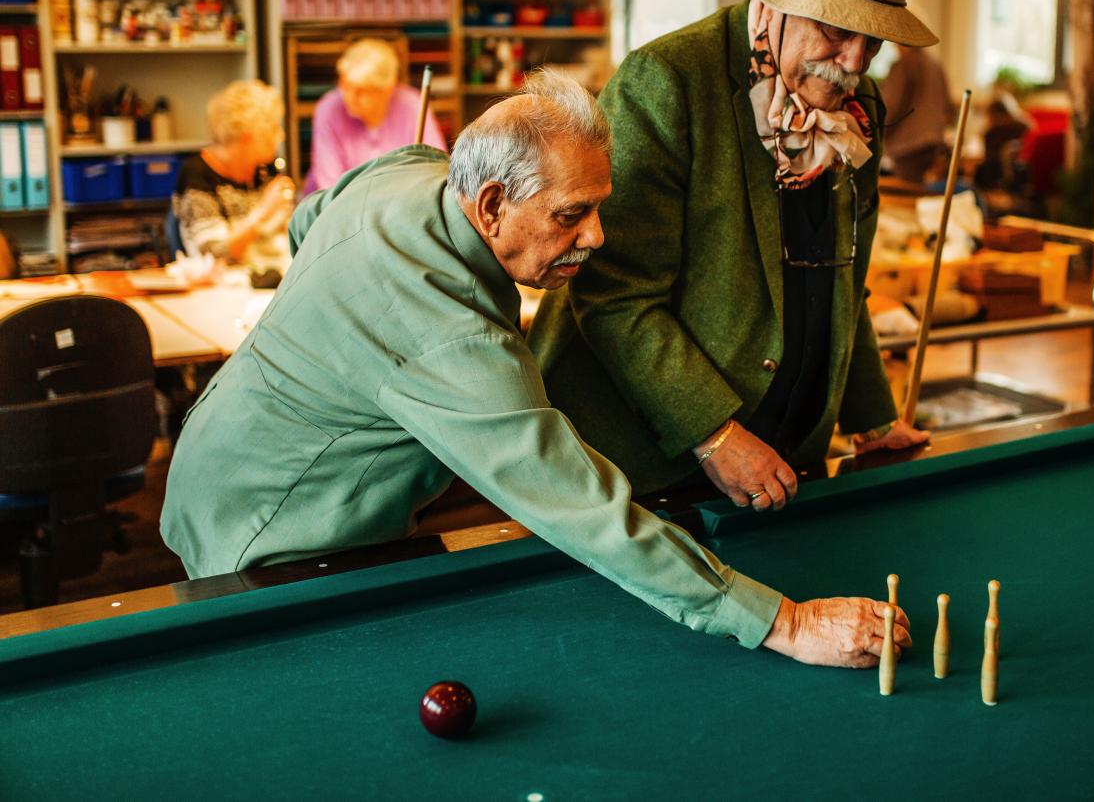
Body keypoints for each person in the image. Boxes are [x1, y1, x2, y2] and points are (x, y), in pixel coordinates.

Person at [160, 70, 910, 670]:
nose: (597, 237)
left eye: (598, 208)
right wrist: (780, 621)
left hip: (215, 450)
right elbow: (580, 507)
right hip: (264, 528)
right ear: (490, 204)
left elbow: (306, 220)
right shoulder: (449, 339)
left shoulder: (412, 170)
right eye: (569, 216)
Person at [528, 0, 933, 508]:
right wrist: (713, 435)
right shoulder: (665, 80)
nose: (854, 63)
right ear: (779, 4)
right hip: (641, 462)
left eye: (872, 43)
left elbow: (846, 283)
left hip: (785, 452)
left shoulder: (860, 106)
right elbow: (615, 294)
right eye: (837, 31)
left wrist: (872, 417)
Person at [172, 79, 295, 270]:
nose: (280, 135)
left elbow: (288, 237)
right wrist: (262, 212)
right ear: (247, 137)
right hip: (227, 286)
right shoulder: (197, 175)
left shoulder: (266, 168)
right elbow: (214, 255)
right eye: (273, 129)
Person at [303, 38, 447, 194]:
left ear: (387, 89)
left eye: (362, 90)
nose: (349, 96)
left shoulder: (413, 106)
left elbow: (435, 171)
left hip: (398, 206)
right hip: (343, 207)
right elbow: (329, 186)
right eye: (344, 85)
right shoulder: (328, 109)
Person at [879, 46, 953, 183]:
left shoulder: (904, 65)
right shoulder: (935, 64)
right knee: (920, 193)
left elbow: (890, 108)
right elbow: (948, 108)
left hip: (907, 145)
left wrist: (874, 133)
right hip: (933, 143)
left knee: (905, 196)